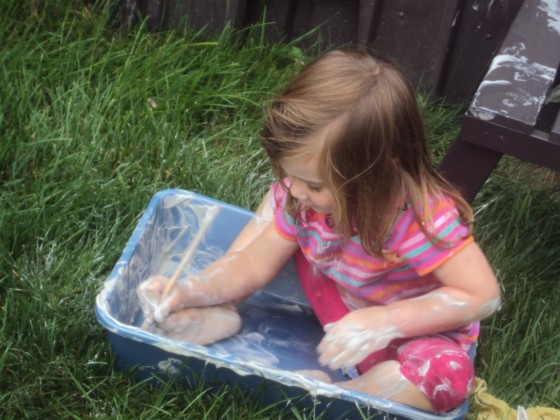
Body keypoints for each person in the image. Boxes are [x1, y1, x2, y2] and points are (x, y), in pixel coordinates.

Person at [139, 49, 501, 413]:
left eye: (313, 184)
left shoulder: (420, 219)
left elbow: (482, 294)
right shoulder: (303, 197)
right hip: (340, 301)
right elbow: (252, 264)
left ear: (378, 173)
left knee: (448, 378)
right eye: (289, 173)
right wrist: (187, 290)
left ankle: (344, 392)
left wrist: (387, 322)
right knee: (274, 206)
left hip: (414, 333)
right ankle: (222, 309)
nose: (296, 190)